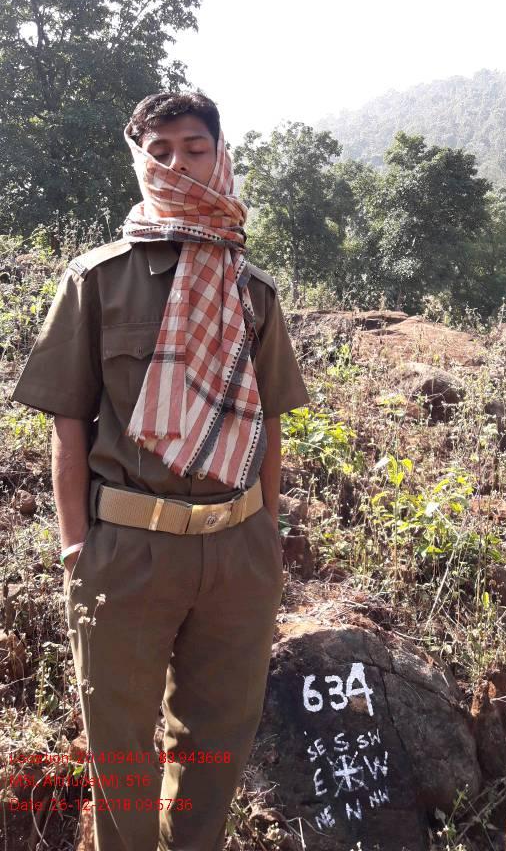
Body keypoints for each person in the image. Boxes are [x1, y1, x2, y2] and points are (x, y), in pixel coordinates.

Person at [11, 91, 310, 851]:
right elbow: (67, 423)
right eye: (161, 151)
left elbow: (271, 424)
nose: (178, 164)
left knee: (217, 740)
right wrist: (76, 546)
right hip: (128, 549)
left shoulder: (251, 289)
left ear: (221, 157)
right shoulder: (98, 280)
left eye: (194, 148)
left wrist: (266, 535)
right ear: (140, 162)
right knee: (120, 747)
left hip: (236, 550)